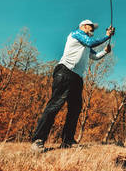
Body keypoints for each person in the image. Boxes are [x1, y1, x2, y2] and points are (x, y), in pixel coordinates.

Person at [31, 19, 115, 152]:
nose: (93, 29)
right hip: (64, 72)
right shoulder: (76, 34)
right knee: (54, 106)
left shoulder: (86, 44)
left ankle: (67, 141)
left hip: (77, 78)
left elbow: (95, 56)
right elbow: (90, 42)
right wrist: (107, 36)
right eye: (91, 27)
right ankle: (38, 140)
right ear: (83, 26)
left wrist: (105, 51)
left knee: (75, 109)